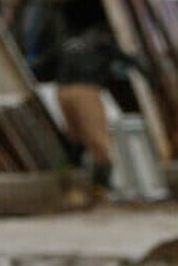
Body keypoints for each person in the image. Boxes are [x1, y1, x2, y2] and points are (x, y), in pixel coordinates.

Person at [32, 22, 139, 200]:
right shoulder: (101, 43)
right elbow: (129, 60)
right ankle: (101, 189)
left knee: (75, 137)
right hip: (86, 91)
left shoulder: (67, 44)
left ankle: (69, 186)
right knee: (99, 141)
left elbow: (39, 66)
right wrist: (150, 77)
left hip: (63, 92)